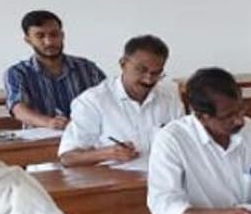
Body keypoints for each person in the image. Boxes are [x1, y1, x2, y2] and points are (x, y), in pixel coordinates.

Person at [147, 67, 251, 214]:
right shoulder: (172, 139)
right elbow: (163, 206)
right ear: (201, 117)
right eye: (228, 116)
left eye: (241, 110)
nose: (239, 121)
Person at [57, 34, 183, 168]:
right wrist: (107, 153)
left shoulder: (169, 97)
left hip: (165, 177)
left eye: (156, 73)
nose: (148, 79)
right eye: (141, 70)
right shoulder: (93, 101)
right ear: (123, 64)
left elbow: (183, 143)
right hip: (117, 182)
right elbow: (68, 158)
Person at [3, 10, 106, 130]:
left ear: (62, 35)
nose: (49, 42)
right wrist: (49, 122)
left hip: (86, 136)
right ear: (28, 40)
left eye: (54, 34)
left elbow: (109, 99)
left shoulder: (87, 69)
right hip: (41, 140)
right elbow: (18, 109)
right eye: (40, 36)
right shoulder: (17, 73)